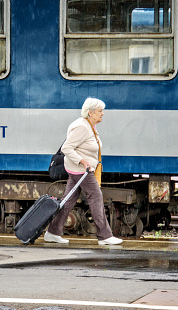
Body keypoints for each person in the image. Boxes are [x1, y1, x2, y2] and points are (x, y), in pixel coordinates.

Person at [44, 97, 123, 245]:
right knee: (96, 197)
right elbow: (67, 148)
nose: (103, 114)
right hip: (81, 171)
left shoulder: (89, 126)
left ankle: (52, 232)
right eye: (100, 111)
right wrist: (83, 161)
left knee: (68, 201)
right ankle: (105, 236)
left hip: (79, 170)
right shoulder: (82, 127)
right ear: (91, 112)